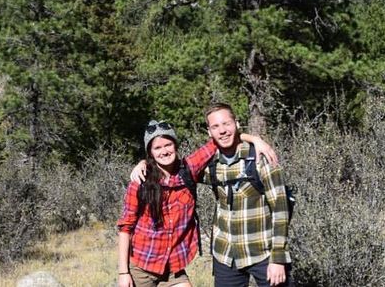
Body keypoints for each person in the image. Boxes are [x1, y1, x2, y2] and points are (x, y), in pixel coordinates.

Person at [117, 120, 277, 287]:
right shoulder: (140, 182)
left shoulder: (188, 169)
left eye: (168, 145)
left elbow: (218, 140)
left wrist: (254, 139)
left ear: (175, 146)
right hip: (141, 268)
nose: (164, 151)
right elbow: (125, 228)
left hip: (173, 270)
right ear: (150, 152)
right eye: (157, 148)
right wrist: (123, 273)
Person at [204, 103, 292, 287]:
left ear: (237, 123)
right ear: (209, 132)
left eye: (226, 124)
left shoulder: (260, 157)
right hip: (226, 255)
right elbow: (177, 169)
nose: (222, 131)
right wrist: (144, 163)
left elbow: (280, 209)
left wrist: (278, 258)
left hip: (263, 252)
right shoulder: (210, 164)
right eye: (215, 126)